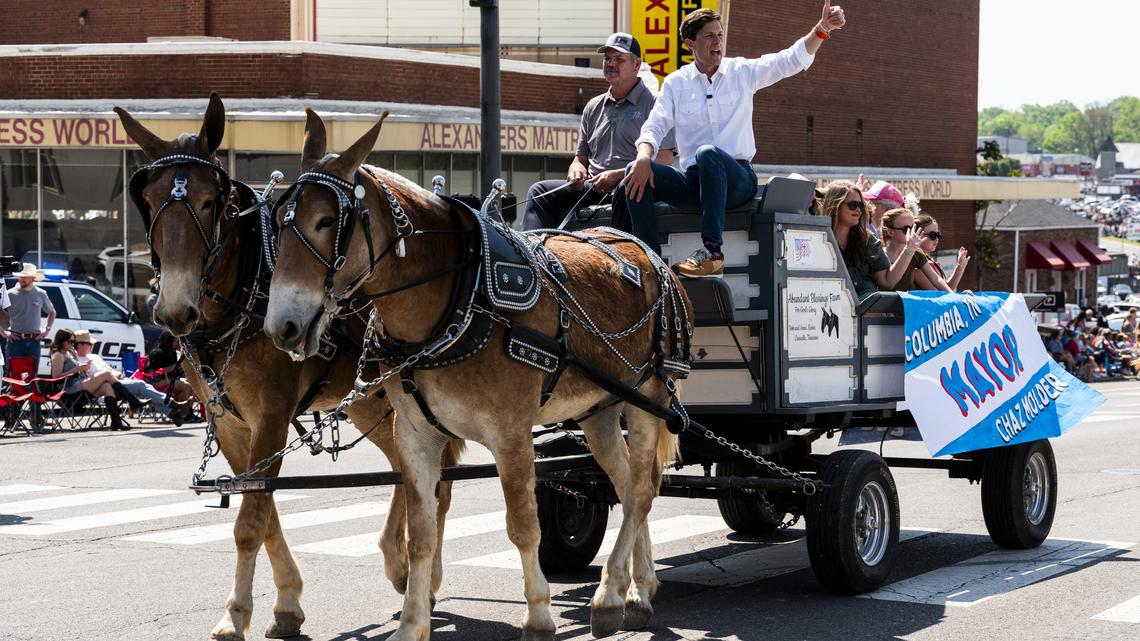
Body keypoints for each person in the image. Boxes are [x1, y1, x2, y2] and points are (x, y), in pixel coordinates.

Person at [624, 2, 847, 277]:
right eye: (710, 36)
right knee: (633, 173)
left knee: (708, 153)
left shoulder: (741, 72)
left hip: (738, 179)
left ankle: (712, 253)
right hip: (697, 183)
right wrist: (643, 159)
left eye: (720, 35)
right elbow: (653, 128)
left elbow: (790, 59)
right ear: (690, 43)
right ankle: (649, 263)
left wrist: (823, 28)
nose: (718, 42)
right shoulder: (675, 83)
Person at [521, 33, 676, 232]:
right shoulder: (593, 106)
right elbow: (580, 158)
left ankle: (622, 259)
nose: (611, 64)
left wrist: (620, 175)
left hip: (633, 186)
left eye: (619, 59)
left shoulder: (656, 103)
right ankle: (536, 256)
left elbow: (664, 161)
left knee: (624, 191)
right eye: (607, 59)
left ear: (637, 65)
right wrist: (576, 171)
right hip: (593, 187)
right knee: (539, 191)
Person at [819, 180, 922, 299]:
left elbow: (887, 282)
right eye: (853, 205)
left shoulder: (868, 240)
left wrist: (909, 250)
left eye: (861, 206)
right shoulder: (817, 238)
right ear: (835, 205)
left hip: (867, 311)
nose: (859, 210)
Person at [73, 330, 192, 426]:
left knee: (147, 389)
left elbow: (109, 370)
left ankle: (173, 414)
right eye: (89, 344)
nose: (92, 346)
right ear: (80, 345)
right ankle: (173, 405)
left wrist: (116, 373)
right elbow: (91, 379)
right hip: (104, 388)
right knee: (141, 386)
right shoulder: (78, 361)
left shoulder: (95, 356)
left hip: (117, 381)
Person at [48, 329, 138, 431]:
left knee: (107, 387)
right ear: (61, 341)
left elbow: (79, 368)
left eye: (73, 342)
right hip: (69, 387)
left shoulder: (71, 352)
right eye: (69, 342)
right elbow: (56, 377)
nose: (72, 344)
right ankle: (132, 400)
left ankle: (116, 422)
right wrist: (76, 369)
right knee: (106, 374)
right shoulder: (58, 355)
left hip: (81, 381)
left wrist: (84, 369)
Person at [5, 263, 56, 428]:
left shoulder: (41, 294)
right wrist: (4, 332)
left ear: (33, 278)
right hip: (15, 340)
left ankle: (36, 418)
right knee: (14, 379)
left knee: (33, 379)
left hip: (33, 341)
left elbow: (52, 312)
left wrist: (47, 329)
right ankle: (11, 419)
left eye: (25, 276)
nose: (22, 279)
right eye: (20, 276)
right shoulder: (10, 294)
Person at [880, 208, 952, 292]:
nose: (912, 232)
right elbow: (887, 284)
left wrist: (952, 295)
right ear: (890, 232)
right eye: (907, 229)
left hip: (909, 303)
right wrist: (909, 250)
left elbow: (936, 279)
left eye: (913, 228)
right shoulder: (880, 255)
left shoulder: (916, 253)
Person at [913, 214, 970, 291]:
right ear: (917, 235)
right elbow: (939, 294)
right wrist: (960, 297)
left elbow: (947, 287)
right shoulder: (916, 265)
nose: (937, 239)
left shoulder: (928, 259)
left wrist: (960, 266)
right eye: (932, 235)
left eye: (938, 235)